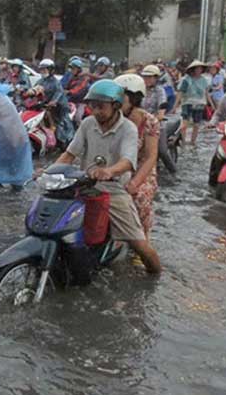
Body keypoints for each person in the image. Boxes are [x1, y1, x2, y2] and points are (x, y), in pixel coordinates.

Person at [52, 80, 161, 274]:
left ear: (116, 106)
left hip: (114, 190)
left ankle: (156, 274)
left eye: (101, 106)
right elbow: (69, 154)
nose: (96, 111)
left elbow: (128, 161)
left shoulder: (128, 128)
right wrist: (49, 172)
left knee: (140, 245)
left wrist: (109, 171)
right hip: (85, 185)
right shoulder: (87, 124)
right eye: (92, 106)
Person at [115, 74, 160, 244]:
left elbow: (150, 157)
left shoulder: (150, 121)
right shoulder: (111, 118)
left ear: (134, 99)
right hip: (115, 167)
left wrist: (135, 182)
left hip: (141, 170)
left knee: (140, 199)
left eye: (121, 97)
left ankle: (143, 240)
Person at [27, 58, 75, 147]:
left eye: (45, 69)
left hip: (59, 106)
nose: (42, 71)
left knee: (61, 122)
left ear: (51, 70)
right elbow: (34, 90)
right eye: (41, 69)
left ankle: (66, 140)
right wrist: (28, 94)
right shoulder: (40, 81)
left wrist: (53, 101)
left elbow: (59, 93)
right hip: (44, 105)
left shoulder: (55, 82)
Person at [174, 60, 208, 146]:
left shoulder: (204, 80)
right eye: (197, 68)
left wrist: (210, 104)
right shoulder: (186, 80)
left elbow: (206, 93)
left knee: (196, 124)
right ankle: (183, 141)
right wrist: (175, 106)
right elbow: (180, 92)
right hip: (187, 103)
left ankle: (193, 141)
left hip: (200, 103)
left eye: (200, 68)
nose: (199, 70)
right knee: (185, 123)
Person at [64, 57, 91, 124]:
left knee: (77, 118)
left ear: (79, 69)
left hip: (81, 102)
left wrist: (69, 92)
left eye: (73, 68)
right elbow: (66, 86)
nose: (72, 70)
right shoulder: (72, 77)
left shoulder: (84, 78)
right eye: (71, 68)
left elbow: (79, 88)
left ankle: (83, 132)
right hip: (72, 101)